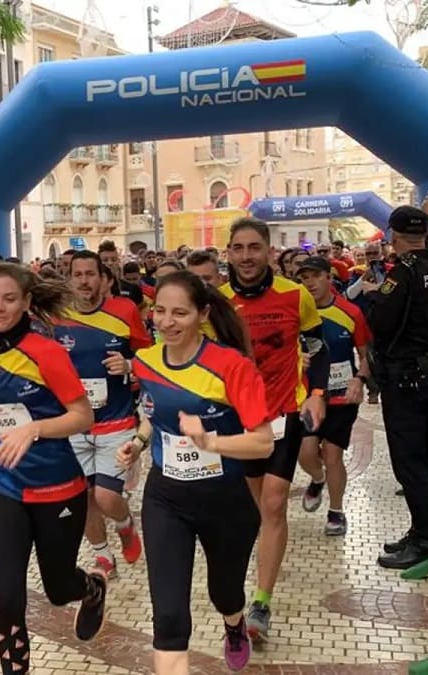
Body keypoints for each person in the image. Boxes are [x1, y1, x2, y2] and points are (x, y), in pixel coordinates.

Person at [0, 262, 107, 675]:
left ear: (27, 302)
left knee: (56, 589)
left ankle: (90, 588)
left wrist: (34, 429)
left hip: (56, 487)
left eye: (10, 299)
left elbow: (82, 416)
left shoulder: (46, 351)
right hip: (4, 487)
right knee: (7, 594)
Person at [117, 270, 272, 674]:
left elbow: (263, 442)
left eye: (180, 313)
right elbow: (152, 414)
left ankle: (234, 625)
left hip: (226, 501)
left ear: (202, 314)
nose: (166, 322)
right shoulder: (147, 361)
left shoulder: (232, 366)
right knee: (168, 616)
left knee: (225, 593)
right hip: (166, 498)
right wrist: (137, 442)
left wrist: (211, 443)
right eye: (160, 312)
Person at [220, 218, 329, 642]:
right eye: (238, 248)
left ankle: (261, 602)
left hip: (283, 413)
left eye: (254, 248)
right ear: (228, 252)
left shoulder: (295, 295)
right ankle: (255, 573)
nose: (246, 256)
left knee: (275, 501)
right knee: (258, 508)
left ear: (268, 251)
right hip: (238, 420)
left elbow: (318, 347)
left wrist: (317, 392)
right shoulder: (217, 301)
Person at [56, 251, 150, 578]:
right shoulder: (56, 316)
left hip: (117, 422)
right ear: (68, 279)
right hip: (74, 423)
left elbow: (151, 358)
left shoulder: (125, 311)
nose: (84, 280)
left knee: (107, 497)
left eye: (90, 274)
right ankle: (103, 555)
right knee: (81, 500)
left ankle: (125, 525)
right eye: (77, 274)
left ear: (104, 278)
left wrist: (130, 365)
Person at [362, 206, 428, 569]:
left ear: (393, 236)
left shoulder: (403, 274)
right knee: (421, 459)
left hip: (404, 375)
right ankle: (421, 528)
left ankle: (425, 539)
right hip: (425, 368)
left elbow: (380, 320)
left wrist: (374, 294)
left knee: (409, 460)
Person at [295, 257, 372, 536]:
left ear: (329, 277)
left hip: (341, 397)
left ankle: (336, 512)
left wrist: (359, 379)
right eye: (304, 278)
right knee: (305, 452)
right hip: (306, 396)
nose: (310, 283)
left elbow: (365, 355)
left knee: (332, 454)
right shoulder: (296, 312)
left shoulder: (351, 312)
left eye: (315, 276)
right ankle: (317, 479)